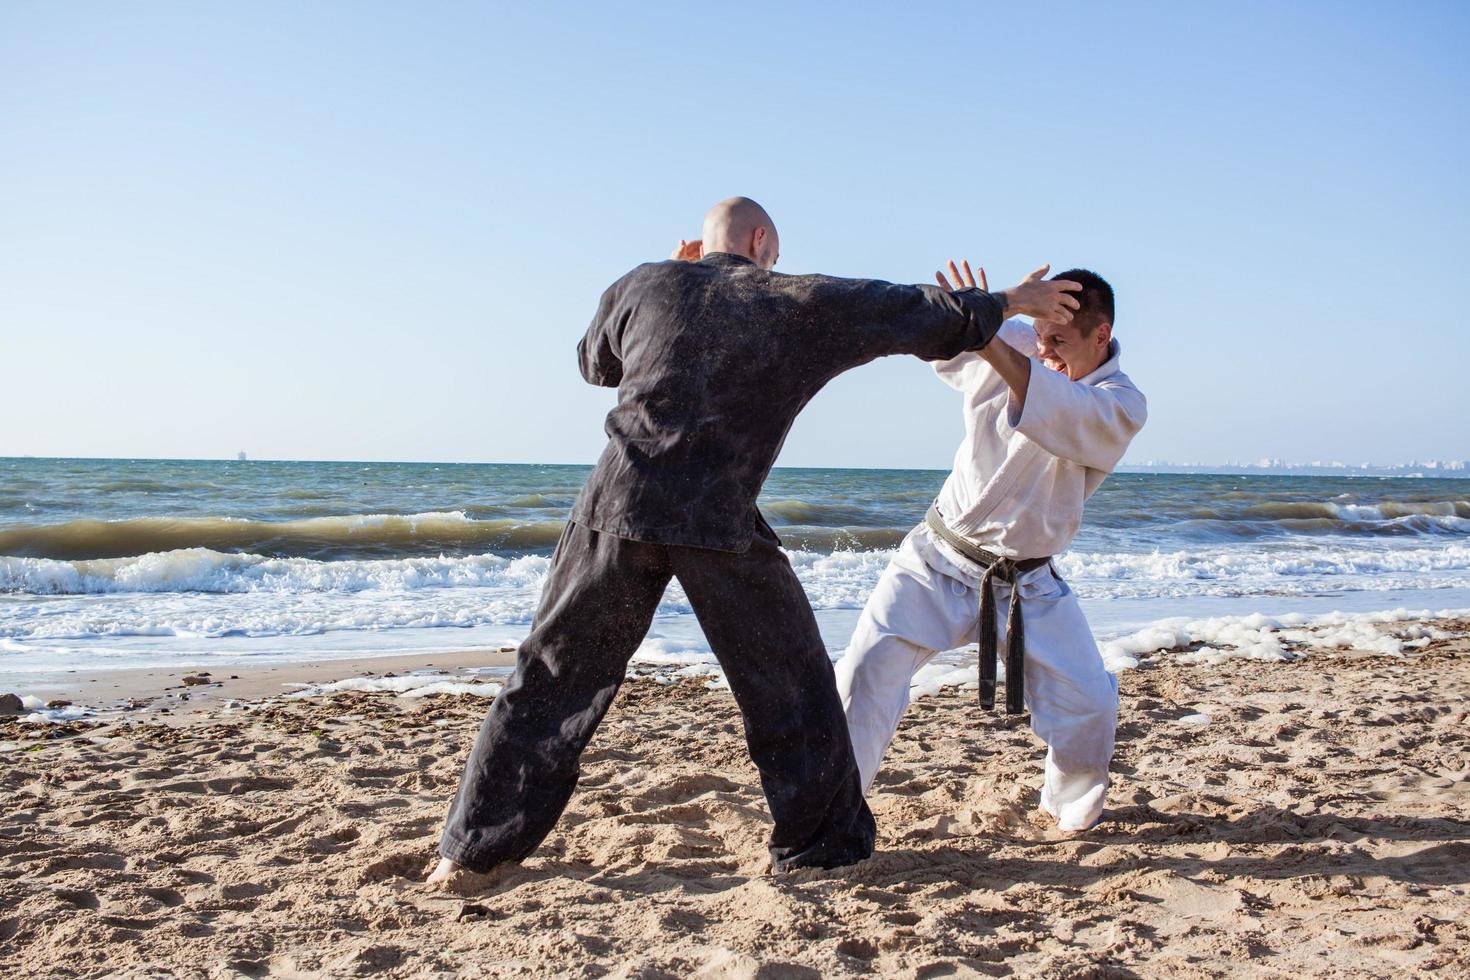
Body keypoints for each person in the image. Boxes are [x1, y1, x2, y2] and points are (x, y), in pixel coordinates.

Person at [428, 200, 1082, 883]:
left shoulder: (643, 283)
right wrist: (1008, 299)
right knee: (791, 690)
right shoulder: (791, 299)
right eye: (772, 249)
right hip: (716, 518)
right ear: (762, 241)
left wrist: (669, 279)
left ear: (704, 242)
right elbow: (905, 312)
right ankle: (821, 850)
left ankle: (471, 855)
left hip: (617, 505)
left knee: (552, 678)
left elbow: (598, 363)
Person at [834, 259, 1146, 832]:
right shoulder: (1015, 338)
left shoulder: (1122, 404)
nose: (1046, 348)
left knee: (1090, 708)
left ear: (1100, 336)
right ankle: (830, 815)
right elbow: (937, 332)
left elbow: (1048, 400)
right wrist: (982, 305)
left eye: (1060, 340)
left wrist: (985, 332)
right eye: (1042, 334)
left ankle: (1066, 806)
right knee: (862, 677)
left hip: (1029, 584)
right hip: (935, 560)